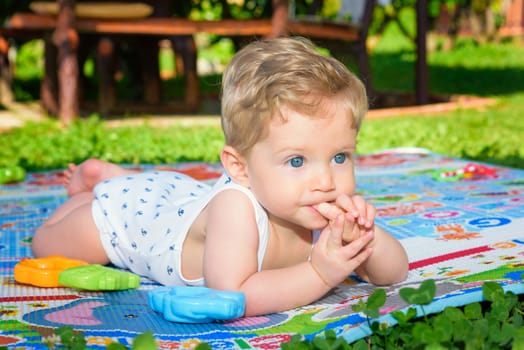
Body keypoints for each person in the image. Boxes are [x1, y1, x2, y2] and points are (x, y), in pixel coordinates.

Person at [32, 37, 408, 317]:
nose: (326, 180)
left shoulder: (312, 204)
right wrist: (318, 274)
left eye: (340, 156)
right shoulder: (236, 208)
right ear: (240, 167)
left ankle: (119, 176)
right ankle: (99, 191)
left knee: (178, 196)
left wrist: (364, 237)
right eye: (297, 161)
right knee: (47, 246)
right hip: (135, 221)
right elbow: (232, 293)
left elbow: (394, 273)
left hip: (182, 199)